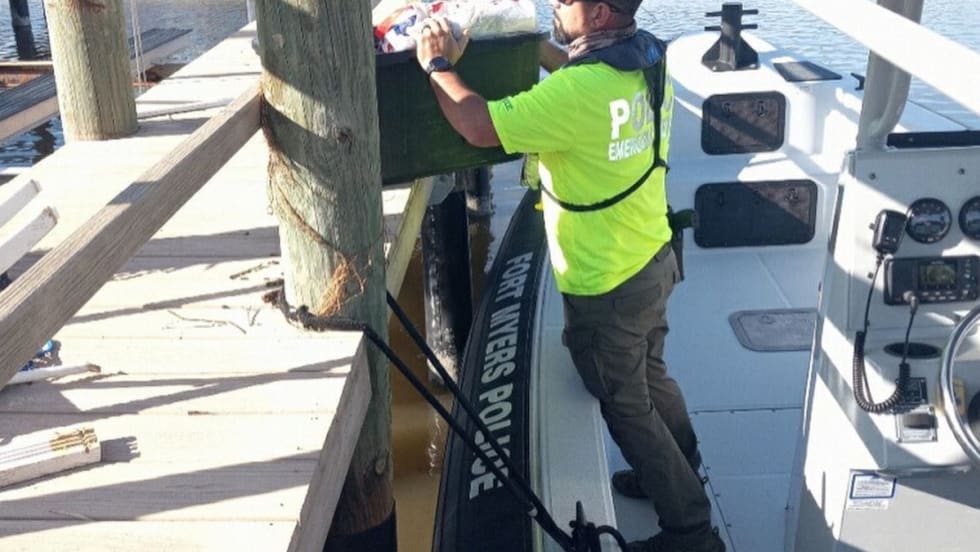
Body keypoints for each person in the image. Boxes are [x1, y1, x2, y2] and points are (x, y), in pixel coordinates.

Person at [415, 1, 724, 551]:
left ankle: (691, 531)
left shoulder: (578, 94)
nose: (555, 2)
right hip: (652, 256)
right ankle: (682, 468)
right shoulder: (648, 58)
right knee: (651, 373)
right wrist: (535, 44)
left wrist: (437, 64)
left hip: (606, 283)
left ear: (599, 14)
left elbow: (478, 124)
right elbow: (583, 79)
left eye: (566, 2)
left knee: (626, 406)